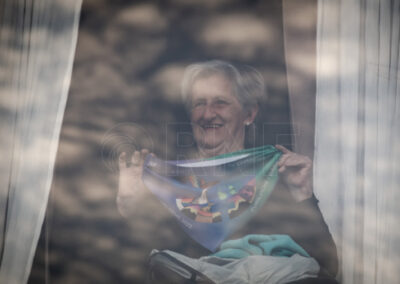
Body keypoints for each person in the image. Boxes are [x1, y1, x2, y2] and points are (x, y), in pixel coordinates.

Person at [117, 60, 338, 278]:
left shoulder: (276, 177)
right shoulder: (170, 183)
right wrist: (130, 205)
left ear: (249, 114)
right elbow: (143, 267)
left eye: (220, 102)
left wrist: (301, 193)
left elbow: (327, 264)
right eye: (198, 103)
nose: (207, 114)